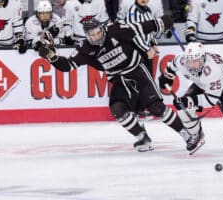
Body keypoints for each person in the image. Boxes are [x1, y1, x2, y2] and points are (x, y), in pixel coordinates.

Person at [37, 16, 204, 153]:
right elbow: (67, 66)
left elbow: (139, 27)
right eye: (92, 35)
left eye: (98, 32)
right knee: (117, 109)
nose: (97, 37)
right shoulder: (84, 49)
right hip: (118, 79)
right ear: (87, 36)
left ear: (102, 29)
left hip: (136, 70)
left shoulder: (115, 30)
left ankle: (188, 135)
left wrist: (161, 22)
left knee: (155, 107)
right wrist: (52, 58)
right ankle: (142, 137)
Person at [124, 0, 163, 77]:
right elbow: (133, 33)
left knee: (149, 78)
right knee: (140, 79)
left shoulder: (148, 10)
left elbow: (150, 30)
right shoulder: (133, 11)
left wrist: (153, 43)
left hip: (146, 50)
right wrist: (147, 49)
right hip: (136, 51)